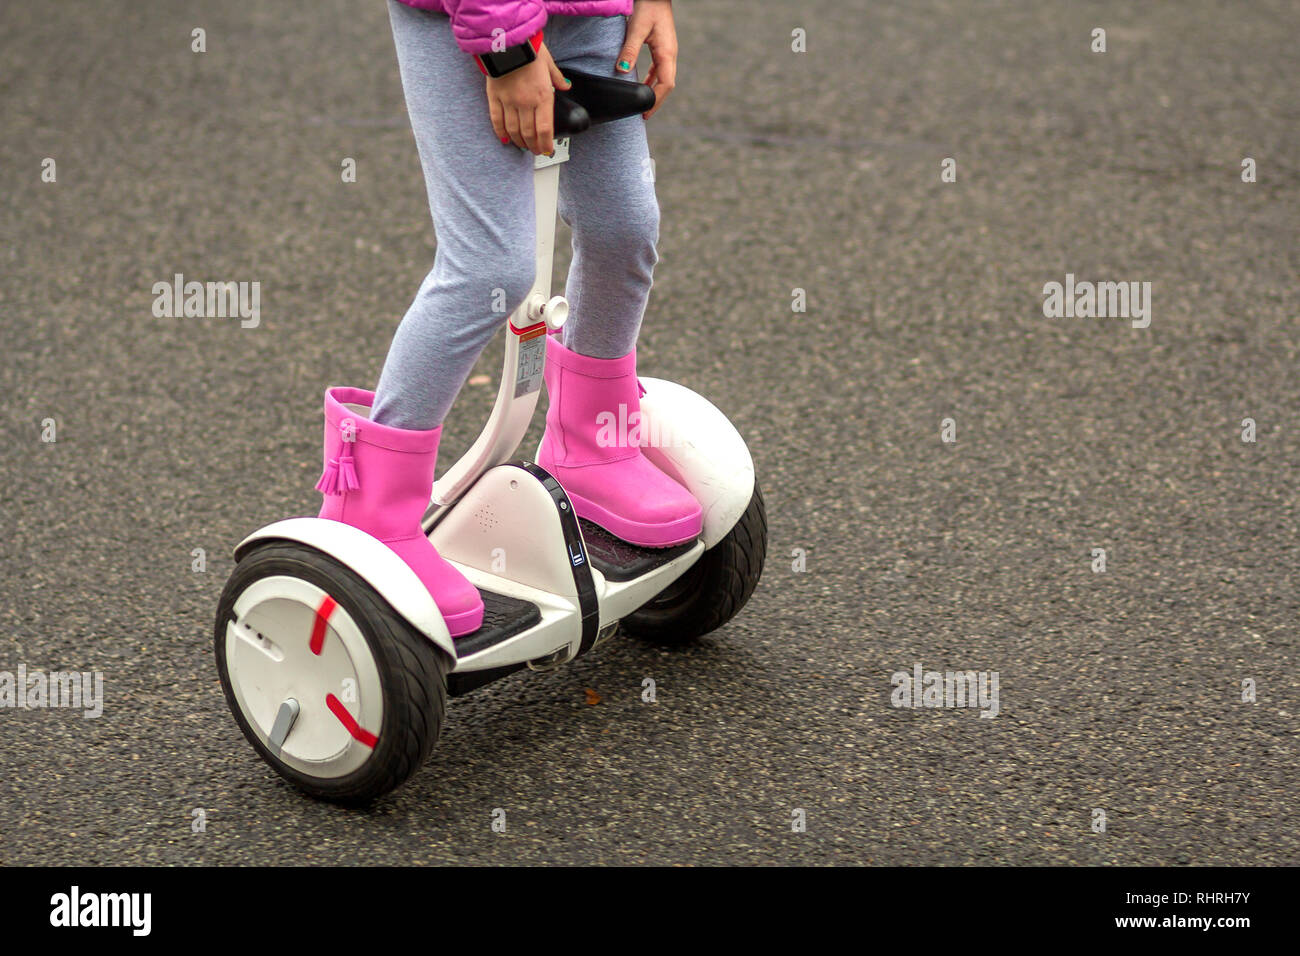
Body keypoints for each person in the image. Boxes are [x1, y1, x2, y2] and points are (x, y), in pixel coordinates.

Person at [314, 0, 700, 636]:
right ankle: (369, 514)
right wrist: (508, 48)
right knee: (488, 268)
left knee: (623, 230)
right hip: (471, 22)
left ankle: (591, 444)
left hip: (589, 14)